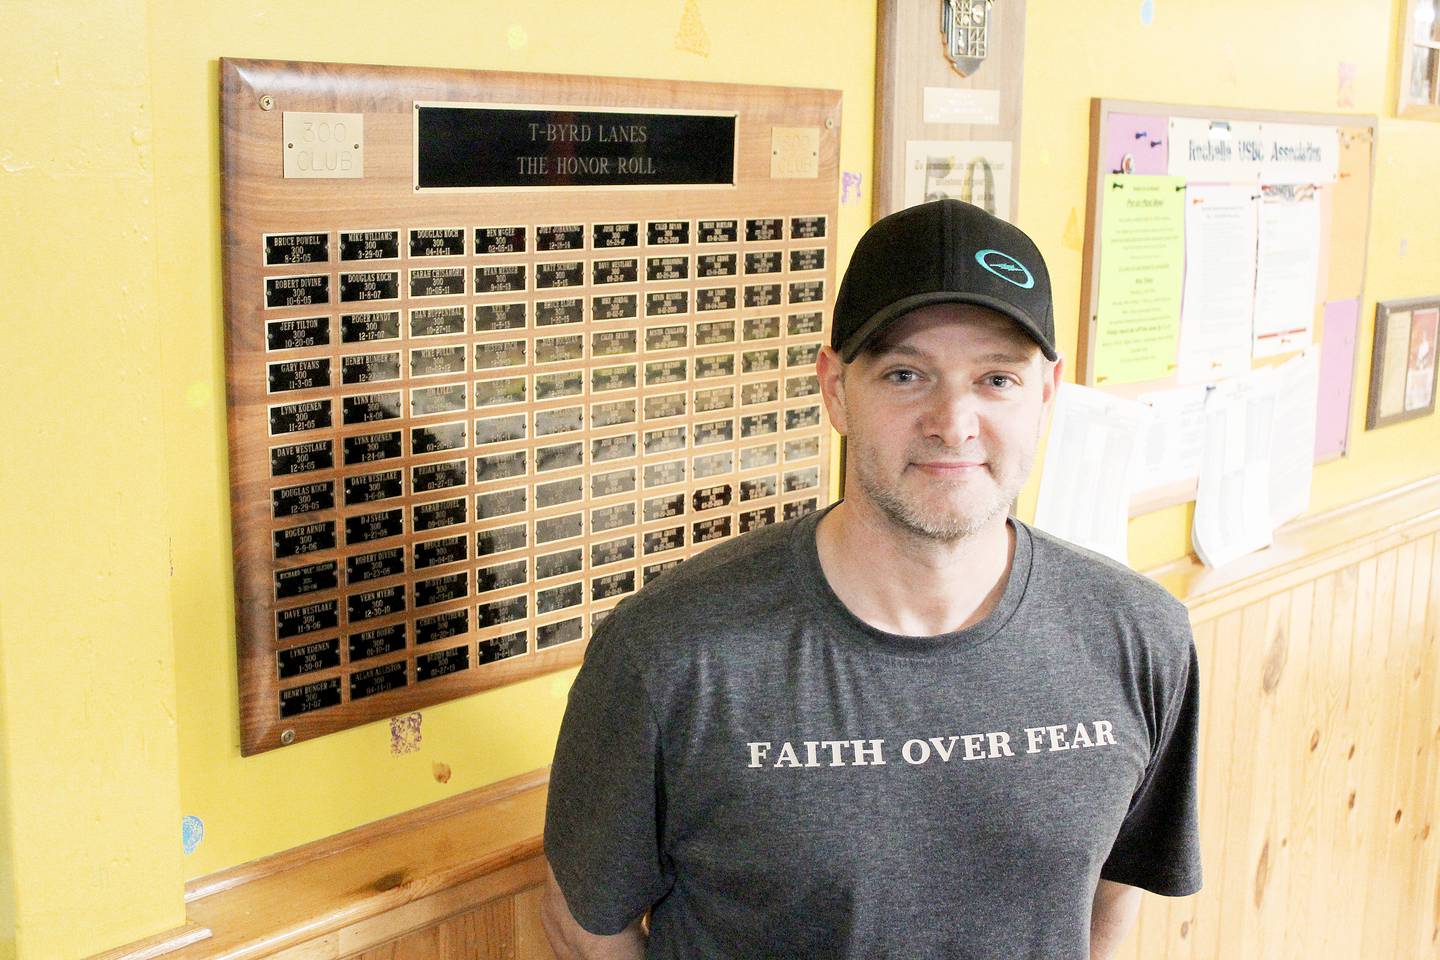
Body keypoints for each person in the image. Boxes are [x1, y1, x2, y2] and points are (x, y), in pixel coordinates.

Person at [540, 199, 1202, 959]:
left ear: (1046, 393)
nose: (953, 421)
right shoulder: (668, 654)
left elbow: (1113, 896)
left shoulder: (1142, 638)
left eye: (996, 378)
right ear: (834, 389)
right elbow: (585, 923)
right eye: (905, 373)